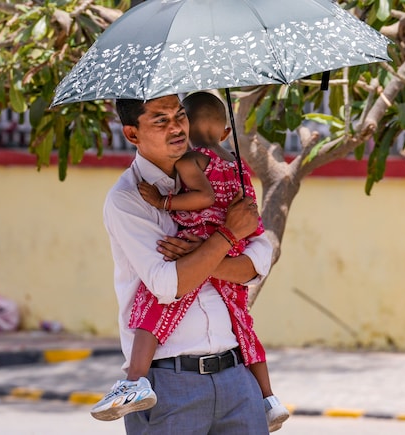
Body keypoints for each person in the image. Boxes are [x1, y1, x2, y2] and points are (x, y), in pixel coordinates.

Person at [91, 92, 288, 432]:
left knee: (246, 327)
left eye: (180, 116)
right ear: (132, 134)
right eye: (160, 120)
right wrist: (226, 238)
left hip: (236, 377)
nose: (177, 128)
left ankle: (267, 398)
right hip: (170, 386)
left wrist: (204, 255)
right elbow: (169, 285)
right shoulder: (129, 198)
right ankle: (132, 383)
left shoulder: (218, 172)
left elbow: (257, 260)